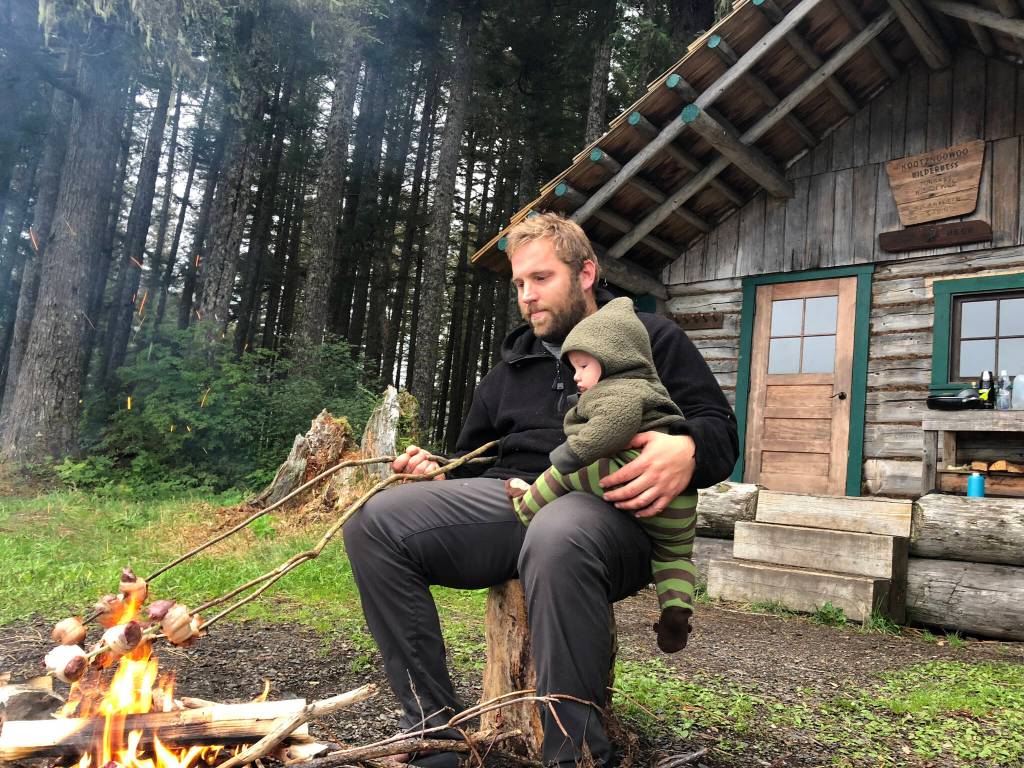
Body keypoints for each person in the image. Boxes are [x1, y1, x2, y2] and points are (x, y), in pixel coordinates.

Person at [342, 212, 738, 768]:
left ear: (585, 274)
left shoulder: (651, 337)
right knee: (375, 522)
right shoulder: (510, 368)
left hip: (616, 516)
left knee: (559, 531)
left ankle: (575, 756)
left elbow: (721, 432)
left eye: (542, 278)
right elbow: (476, 462)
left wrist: (687, 448)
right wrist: (439, 472)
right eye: (519, 284)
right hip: (517, 500)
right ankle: (434, 735)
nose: (527, 296)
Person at [504, 296, 698, 654]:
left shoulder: (619, 391)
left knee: (564, 475)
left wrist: (568, 456)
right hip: (677, 501)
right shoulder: (648, 387)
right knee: (673, 557)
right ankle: (676, 610)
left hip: (630, 475)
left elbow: (613, 426)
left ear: (613, 360)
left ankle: (525, 506)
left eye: (582, 366)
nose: (576, 376)